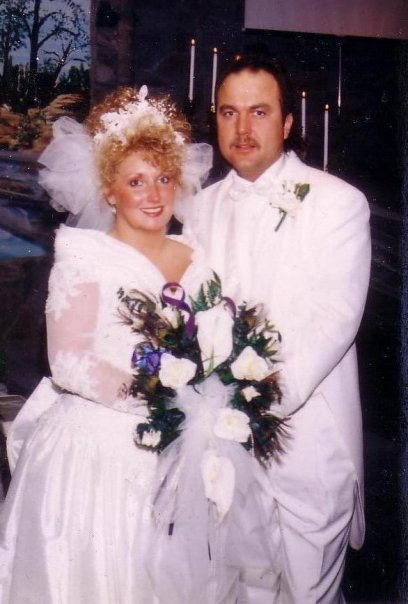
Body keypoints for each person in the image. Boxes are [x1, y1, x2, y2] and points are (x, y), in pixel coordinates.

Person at [0, 85, 216, 603]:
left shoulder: (199, 256)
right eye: (135, 181)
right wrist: (163, 400)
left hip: (184, 451)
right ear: (109, 190)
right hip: (96, 453)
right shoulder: (85, 256)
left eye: (164, 178)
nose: (153, 194)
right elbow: (70, 362)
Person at [178, 54, 371, 603]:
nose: (242, 129)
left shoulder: (338, 204)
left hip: (307, 441)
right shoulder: (199, 208)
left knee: (308, 592)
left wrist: (257, 406)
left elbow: (334, 321)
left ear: (287, 123)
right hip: (218, 447)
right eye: (228, 113)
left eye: (259, 112)